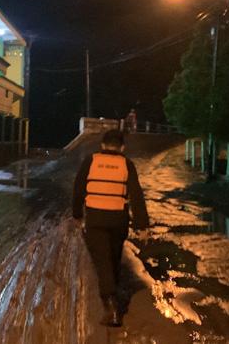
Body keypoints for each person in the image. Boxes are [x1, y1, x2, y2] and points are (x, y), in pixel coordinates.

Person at [72, 129, 149, 327]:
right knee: (113, 257)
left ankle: (111, 306)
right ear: (122, 147)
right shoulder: (126, 164)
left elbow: (78, 189)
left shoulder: (91, 161)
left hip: (96, 219)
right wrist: (142, 225)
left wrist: (77, 214)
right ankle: (112, 288)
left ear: (102, 145)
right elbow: (137, 195)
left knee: (102, 261)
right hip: (118, 219)